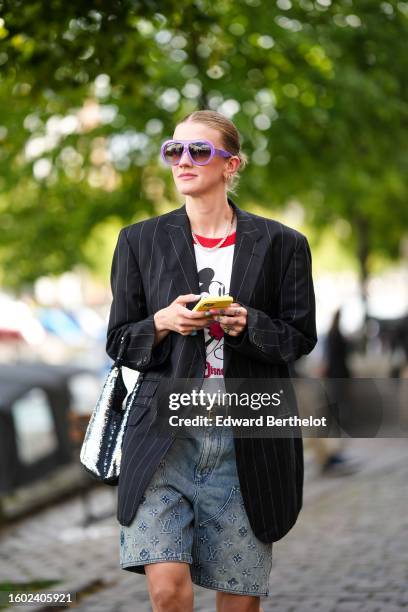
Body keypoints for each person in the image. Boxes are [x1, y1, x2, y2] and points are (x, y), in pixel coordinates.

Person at [106, 110, 317, 612]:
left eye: (199, 151)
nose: (183, 160)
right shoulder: (139, 241)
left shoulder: (283, 244)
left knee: (239, 602)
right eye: (173, 150)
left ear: (231, 164)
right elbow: (118, 339)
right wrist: (162, 323)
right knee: (167, 589)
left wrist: (249, 326)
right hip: (163, 437)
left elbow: (299, 337)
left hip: (245, 440)